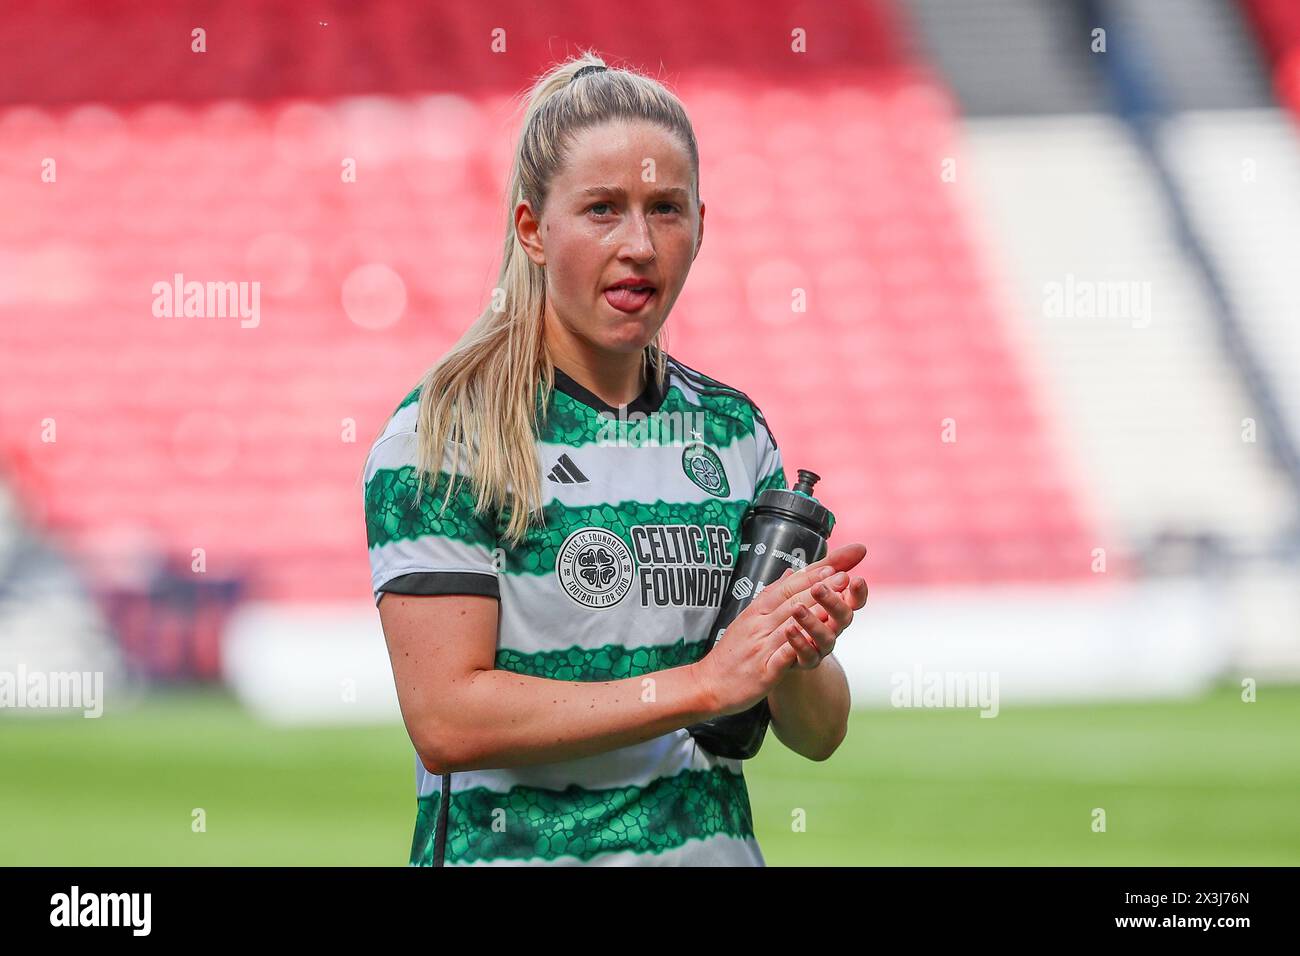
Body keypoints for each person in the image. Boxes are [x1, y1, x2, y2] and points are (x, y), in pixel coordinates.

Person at [362, 53, 869, 866]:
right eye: (603, 209)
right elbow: (449, 720)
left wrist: (796, 651)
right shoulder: (445, 436)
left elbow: (819, 733)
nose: (640, 244)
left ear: (701, 223)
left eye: (665, 209)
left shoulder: (734, 433)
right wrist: (705, 684)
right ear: (533, 228)